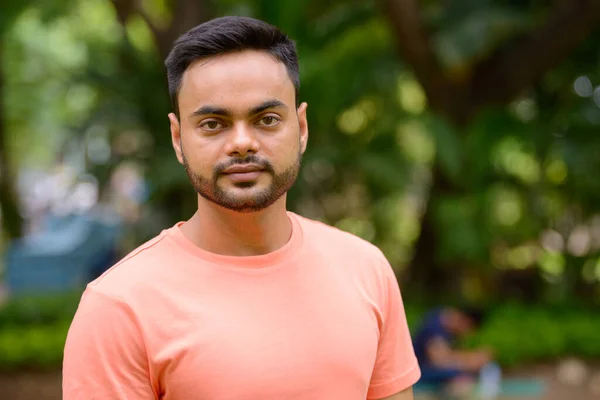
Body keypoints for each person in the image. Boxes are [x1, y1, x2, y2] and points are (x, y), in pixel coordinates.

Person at [62, 16, 421, 400]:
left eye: (266, 120)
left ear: (301, 128)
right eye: (214, 124)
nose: (242, 143)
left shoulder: (366, 270)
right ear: (178, 138)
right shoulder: (119, 307)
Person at [412, 307, 500, 398]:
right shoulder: (434, 326)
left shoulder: (448, 329)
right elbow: (439, 360)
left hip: (428, 370)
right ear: (465, 321)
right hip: (420, 372)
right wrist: (471, 359)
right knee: (462, 380)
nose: (465, 333)